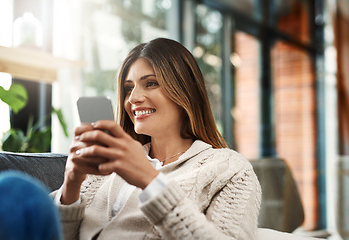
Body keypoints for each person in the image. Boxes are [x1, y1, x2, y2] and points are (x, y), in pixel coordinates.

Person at [53, 37, 261, 239]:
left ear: (185, 91)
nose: (133, 98)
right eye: (128, 88)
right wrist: (70, 187)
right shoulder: (105, 167)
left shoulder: (231, 169)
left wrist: (150, 181)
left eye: (150, 83)